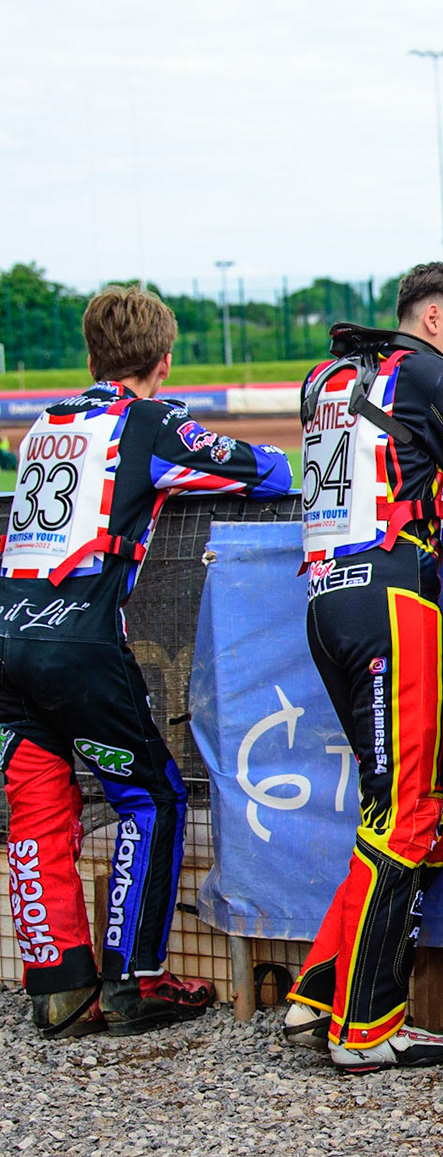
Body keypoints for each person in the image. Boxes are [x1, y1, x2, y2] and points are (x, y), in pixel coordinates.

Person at [0, 285, 291, 1037]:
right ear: (164, 360)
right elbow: (267, 473)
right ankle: (134, 982)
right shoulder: (152, 422)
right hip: (81, 645)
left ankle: (58, 987)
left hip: (9, 640)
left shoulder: (42, 425)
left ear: (92, 354)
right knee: (152, 797)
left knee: (37, 810)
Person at [283, 263, 443, 1072]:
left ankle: (322, 982)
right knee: (408, 812)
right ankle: (369, 1025)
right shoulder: (422, 372)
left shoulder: (327, 375)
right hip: (392, 601)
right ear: (431, 317)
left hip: (326, 601)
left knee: (420, 807)